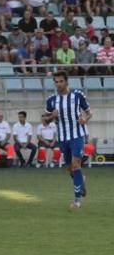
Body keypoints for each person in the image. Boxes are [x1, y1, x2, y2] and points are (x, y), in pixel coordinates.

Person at [43, 71, 91, 209]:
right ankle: (81, 181)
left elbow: (89, 112)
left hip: (77, 135)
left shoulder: (77, 95)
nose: (58, 84)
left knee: (76, 165)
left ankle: (76, 201)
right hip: (63, 138)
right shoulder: (51, 100)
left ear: (66, 81)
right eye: (56, 82)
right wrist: (52, 116)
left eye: (61, 81)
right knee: (70, 168)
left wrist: (85, 119)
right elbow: (45, 120)